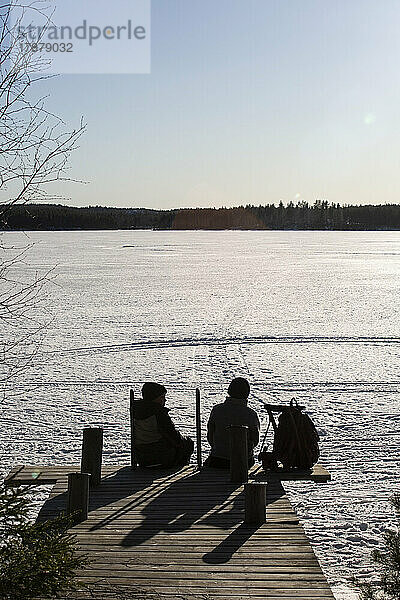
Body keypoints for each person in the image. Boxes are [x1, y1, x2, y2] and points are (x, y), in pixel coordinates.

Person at [133, 382, 194, 468]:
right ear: (154, 398)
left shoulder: (136, 410)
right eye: (162, 397)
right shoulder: (158, 413)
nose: (165, 400)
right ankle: (178, 468)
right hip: (159, 455)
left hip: (140, 455)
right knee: (188, 443)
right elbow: (172, 435)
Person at [204, 377, 260, 468]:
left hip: (218, 459)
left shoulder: (217, 410)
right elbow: (255, 440)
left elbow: (210, 435)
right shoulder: (251, 414)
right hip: (243, 462)